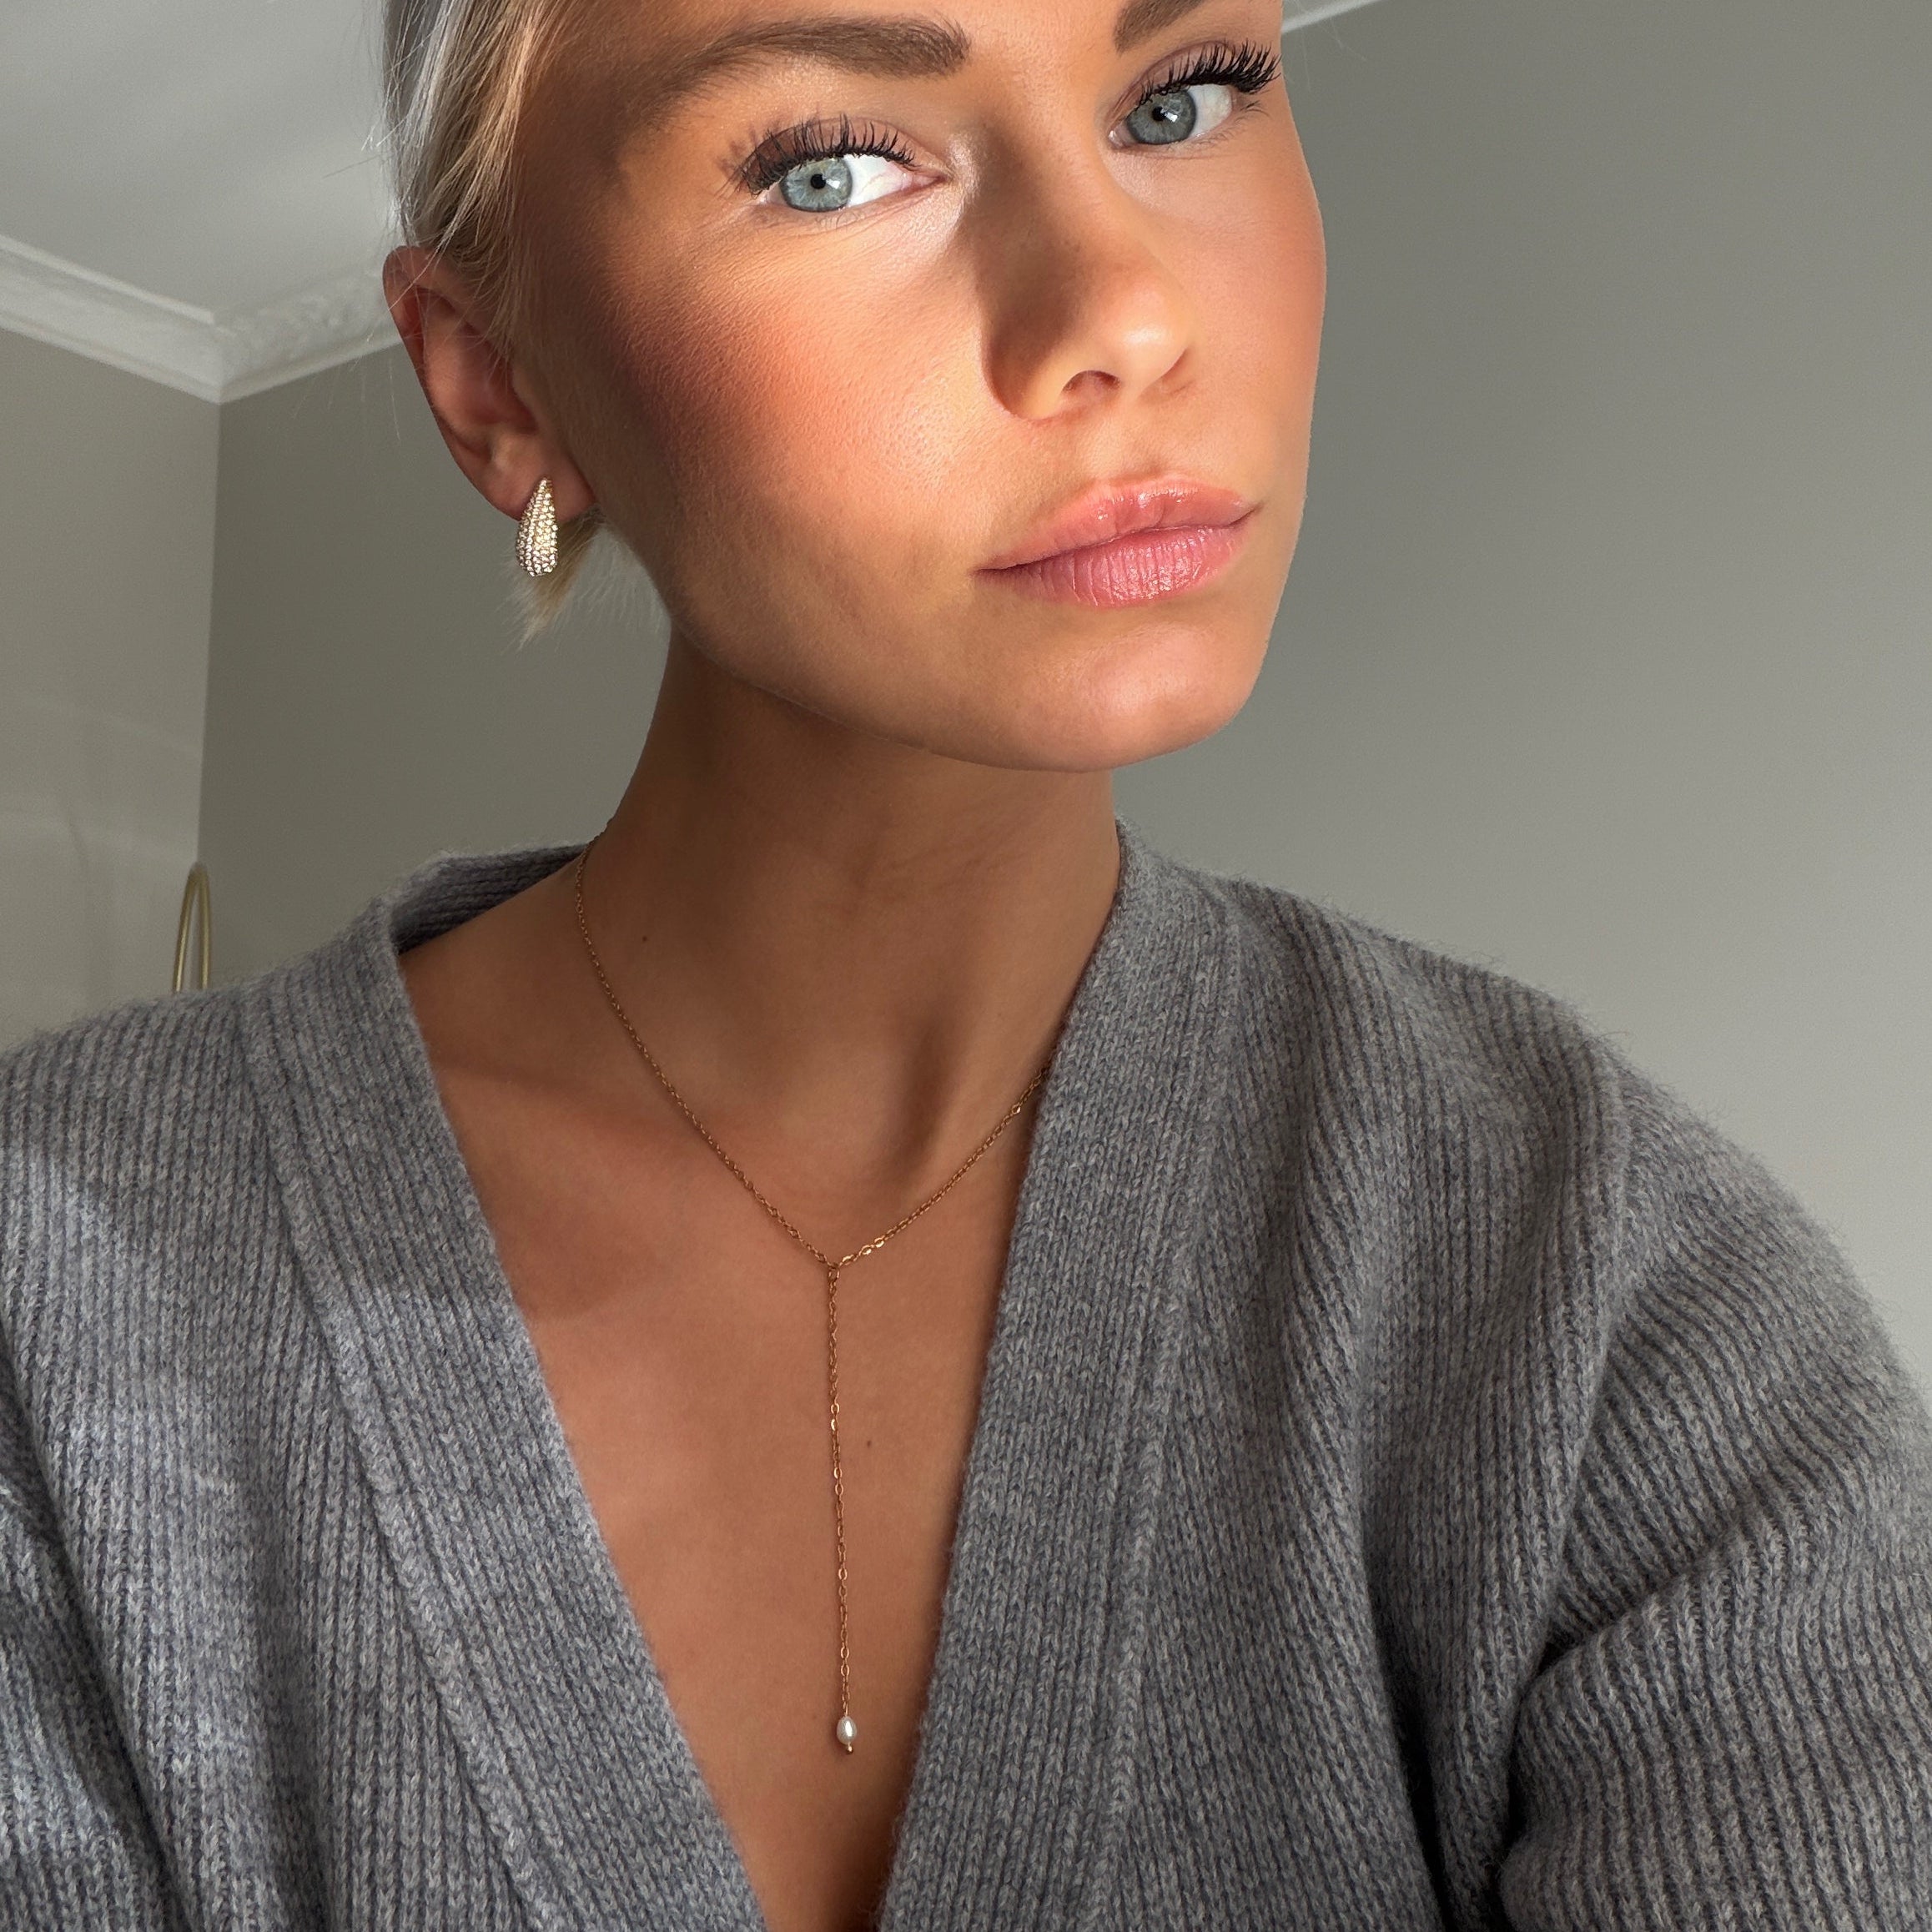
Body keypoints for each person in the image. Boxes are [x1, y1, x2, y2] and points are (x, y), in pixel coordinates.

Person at [3, 0, 1928, 1925]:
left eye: (1182, 97)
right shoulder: (63, 1279)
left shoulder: (1597, 1293)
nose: (1125, 312)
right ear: (498, 381)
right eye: (833, 168)